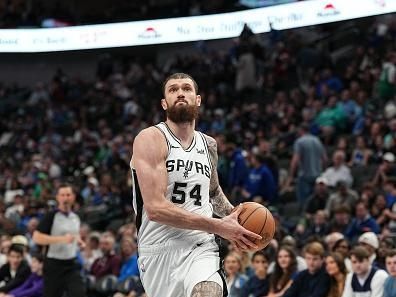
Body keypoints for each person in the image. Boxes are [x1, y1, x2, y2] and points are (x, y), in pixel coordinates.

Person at [130, 73, 261, 297]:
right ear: (164, 103)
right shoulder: (151, 138)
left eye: (186, 88)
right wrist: (220, 227)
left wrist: (238, 221)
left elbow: (212, 192)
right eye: (173, 90)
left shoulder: (208, 144)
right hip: (158, 249)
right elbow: (155, 209)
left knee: (208, 292)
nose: (180, 93)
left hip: (201, 246)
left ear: (198, 99)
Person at [32, 184, 86, 297]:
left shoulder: (75, 217)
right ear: (57, 197)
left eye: (68, 195)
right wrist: (61, 239)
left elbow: (74, 235)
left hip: (71, 263)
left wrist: (79, 241)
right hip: (54, 264)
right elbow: (36, 237)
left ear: (73, 197)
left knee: (79, 293)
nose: (65, 198)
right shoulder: (51, 216)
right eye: (62, 195)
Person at [287, 123, 327, 208]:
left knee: (304, 202)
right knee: (315, 201)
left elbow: (295, 160)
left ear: (301, 131)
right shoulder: (317, 140)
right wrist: (323, 171)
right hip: (317, 175)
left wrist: (291, 175)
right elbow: (324, 159)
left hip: (304, 176)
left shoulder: (300, 141)